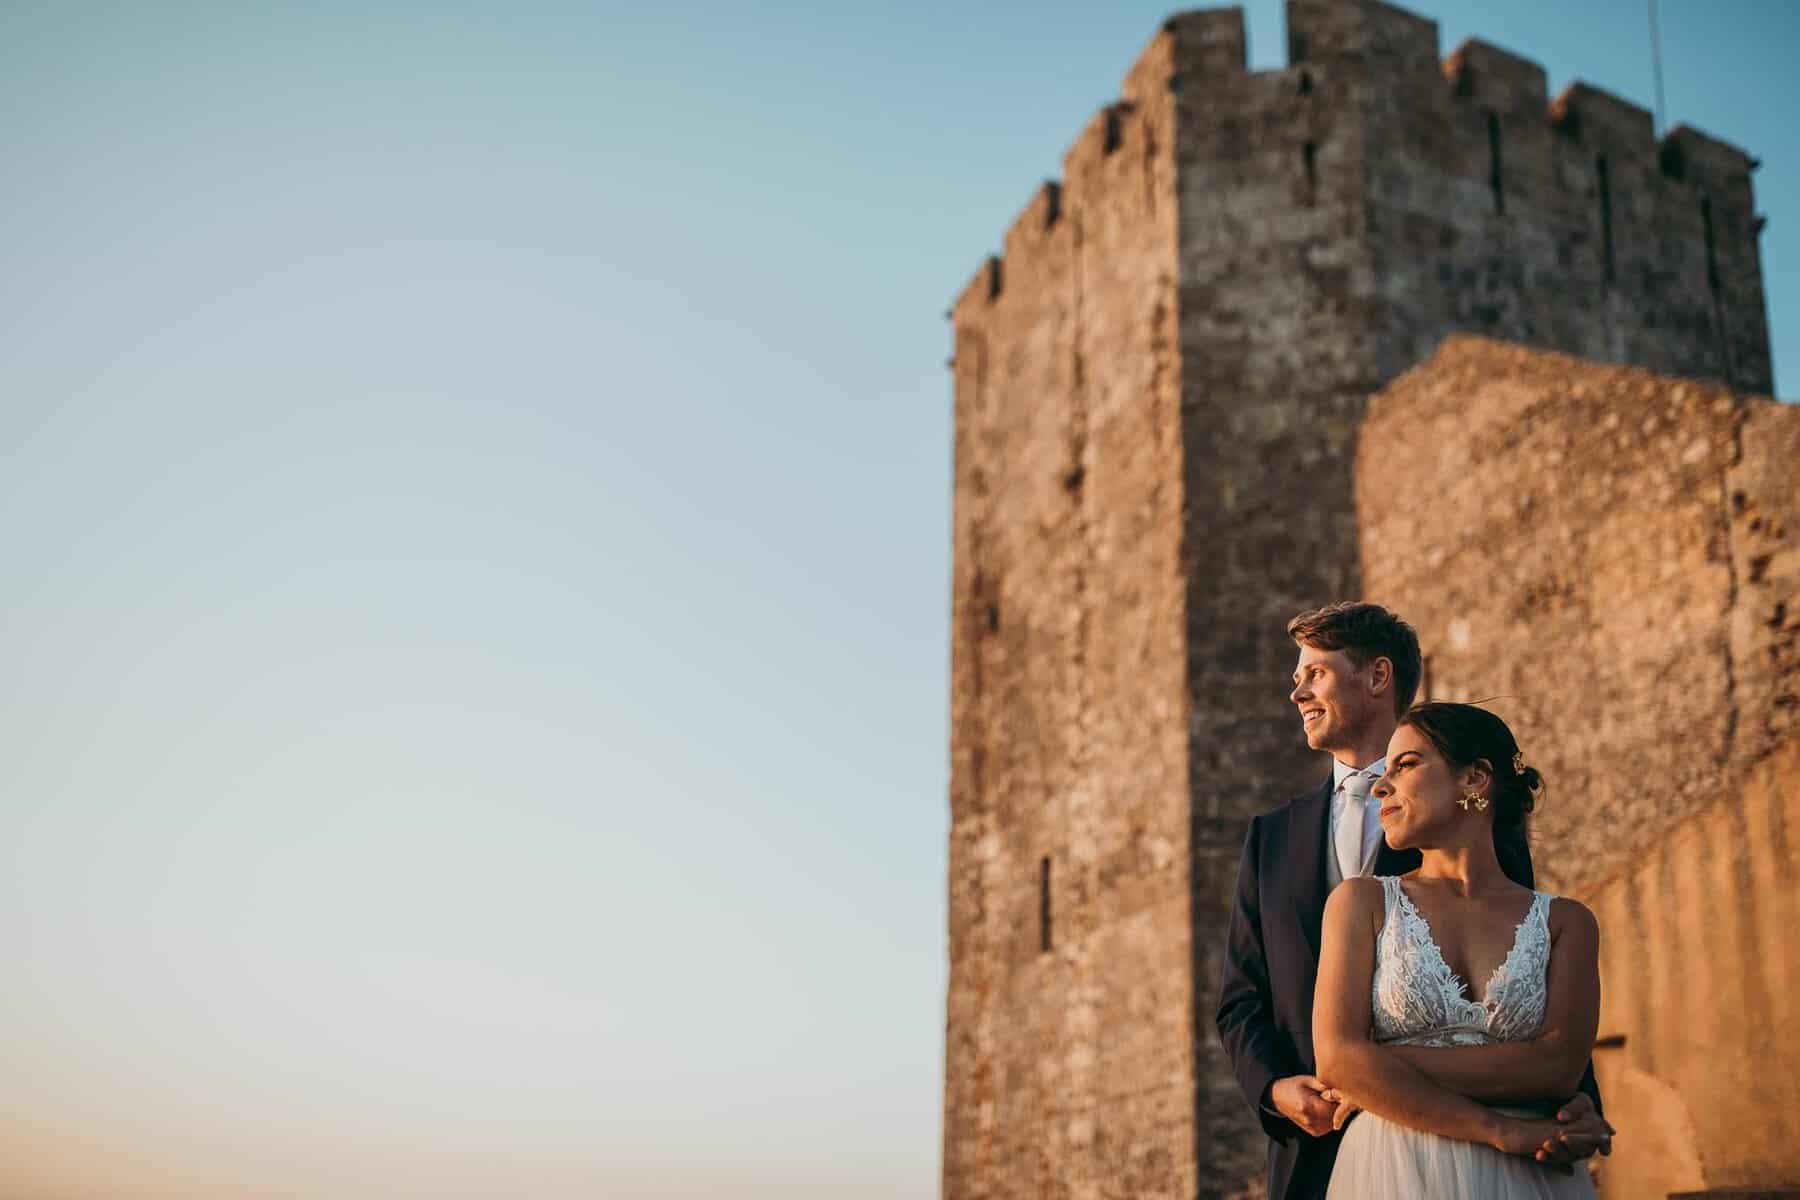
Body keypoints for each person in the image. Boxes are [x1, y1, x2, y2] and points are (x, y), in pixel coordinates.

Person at [1216, 603, 1610, 1200]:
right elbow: (1242, 997)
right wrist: (1275, 1090)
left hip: (1503, 1148)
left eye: (1314, 673)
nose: (1296, 692)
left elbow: (1522, 960)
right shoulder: (1271, 838)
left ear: (1378, 677)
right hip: (1320, 1146)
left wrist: (1575, 1099)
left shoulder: (1470, 821)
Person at [1314, 702, 1601, 1198]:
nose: (1381, 785)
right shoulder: (1360, 904)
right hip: (1396, 1169)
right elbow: (1338, 1062)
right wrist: (1500, 1130)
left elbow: (1557, 1068)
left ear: (1475, 779)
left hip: (1532, 1179)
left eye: (1405, 765)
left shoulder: (1566, 922)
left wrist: (1382, 1063)